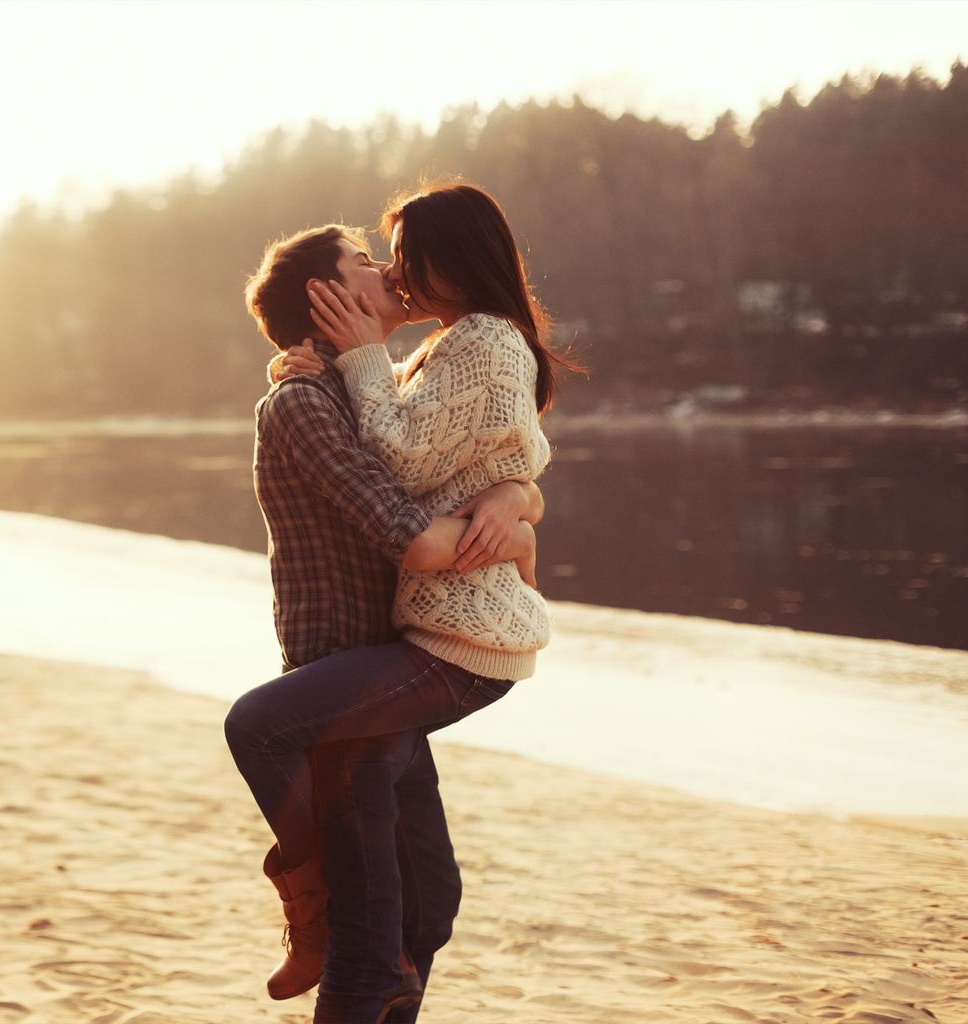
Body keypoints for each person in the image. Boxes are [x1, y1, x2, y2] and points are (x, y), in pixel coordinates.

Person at [230, 184, 560, 1023]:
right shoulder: (308, 399)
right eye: (368, 262)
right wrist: (512, 525)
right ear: (328, 299)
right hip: (352, 664)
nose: (391, 271)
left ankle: (352, 948)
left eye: (394, 255)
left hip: (398, 657)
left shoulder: (375, 375)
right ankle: (313, 907)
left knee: (425, 903)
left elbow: (484, 444)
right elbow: (413, 526)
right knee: (370, 927)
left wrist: (517, 496)